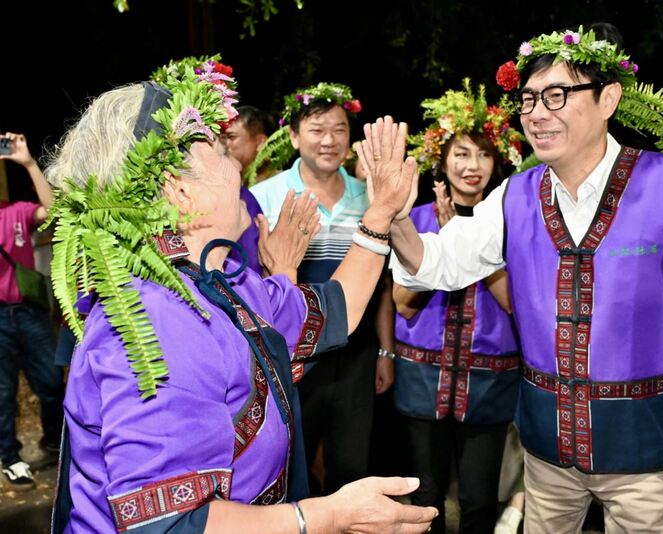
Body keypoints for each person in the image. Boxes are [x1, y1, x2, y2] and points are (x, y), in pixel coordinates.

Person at [367, 23, 663, 532]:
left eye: (557, 95)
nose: (537, 114)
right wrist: (394, 218)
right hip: (547, 453)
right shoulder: (515, 194)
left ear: (609, 98)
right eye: (528, 100)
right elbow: (439, 262)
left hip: (650, 447)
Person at [44, 57, 435, 533]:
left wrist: (381, 213)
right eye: (218, 149)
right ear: (180, 193)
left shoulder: (219, 283)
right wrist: (330, 514)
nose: (237, 163)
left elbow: (338, 310)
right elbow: (171, 523)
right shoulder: (157, 320)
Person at [391, 81, 522, 534]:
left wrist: (468, 253)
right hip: (423, 381)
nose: (473, 166)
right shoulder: (417, 220)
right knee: (425, 499)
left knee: (479, 501)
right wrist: (444, 243)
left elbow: (518, 308)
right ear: (442, 159)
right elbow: (403, 305)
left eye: (484, 155)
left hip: (488, 384)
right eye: (462, 153)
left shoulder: (510, 223)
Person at [250, 83, 393, 495]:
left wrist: (385, 351)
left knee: (352, 463)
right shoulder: (266, 196)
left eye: (339, 129)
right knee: (292, 460)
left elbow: (382, 283)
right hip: (292, 353)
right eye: (316, 129)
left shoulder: (371, 199)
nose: (329, 140)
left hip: (357, 352)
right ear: (294, 136)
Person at [0, 132, 63, 489]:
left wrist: (27, 162)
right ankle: (11, 457)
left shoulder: (17, 212)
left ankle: (52, 439)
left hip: (29, 312)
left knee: (52, 383)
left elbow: (52, 211)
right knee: (3, 394)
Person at [220, 104, 271, 274]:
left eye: (231, 137)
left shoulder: (272, 187)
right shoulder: (229, 187)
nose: (224, 144)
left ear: (260, 142)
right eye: (221, 137)